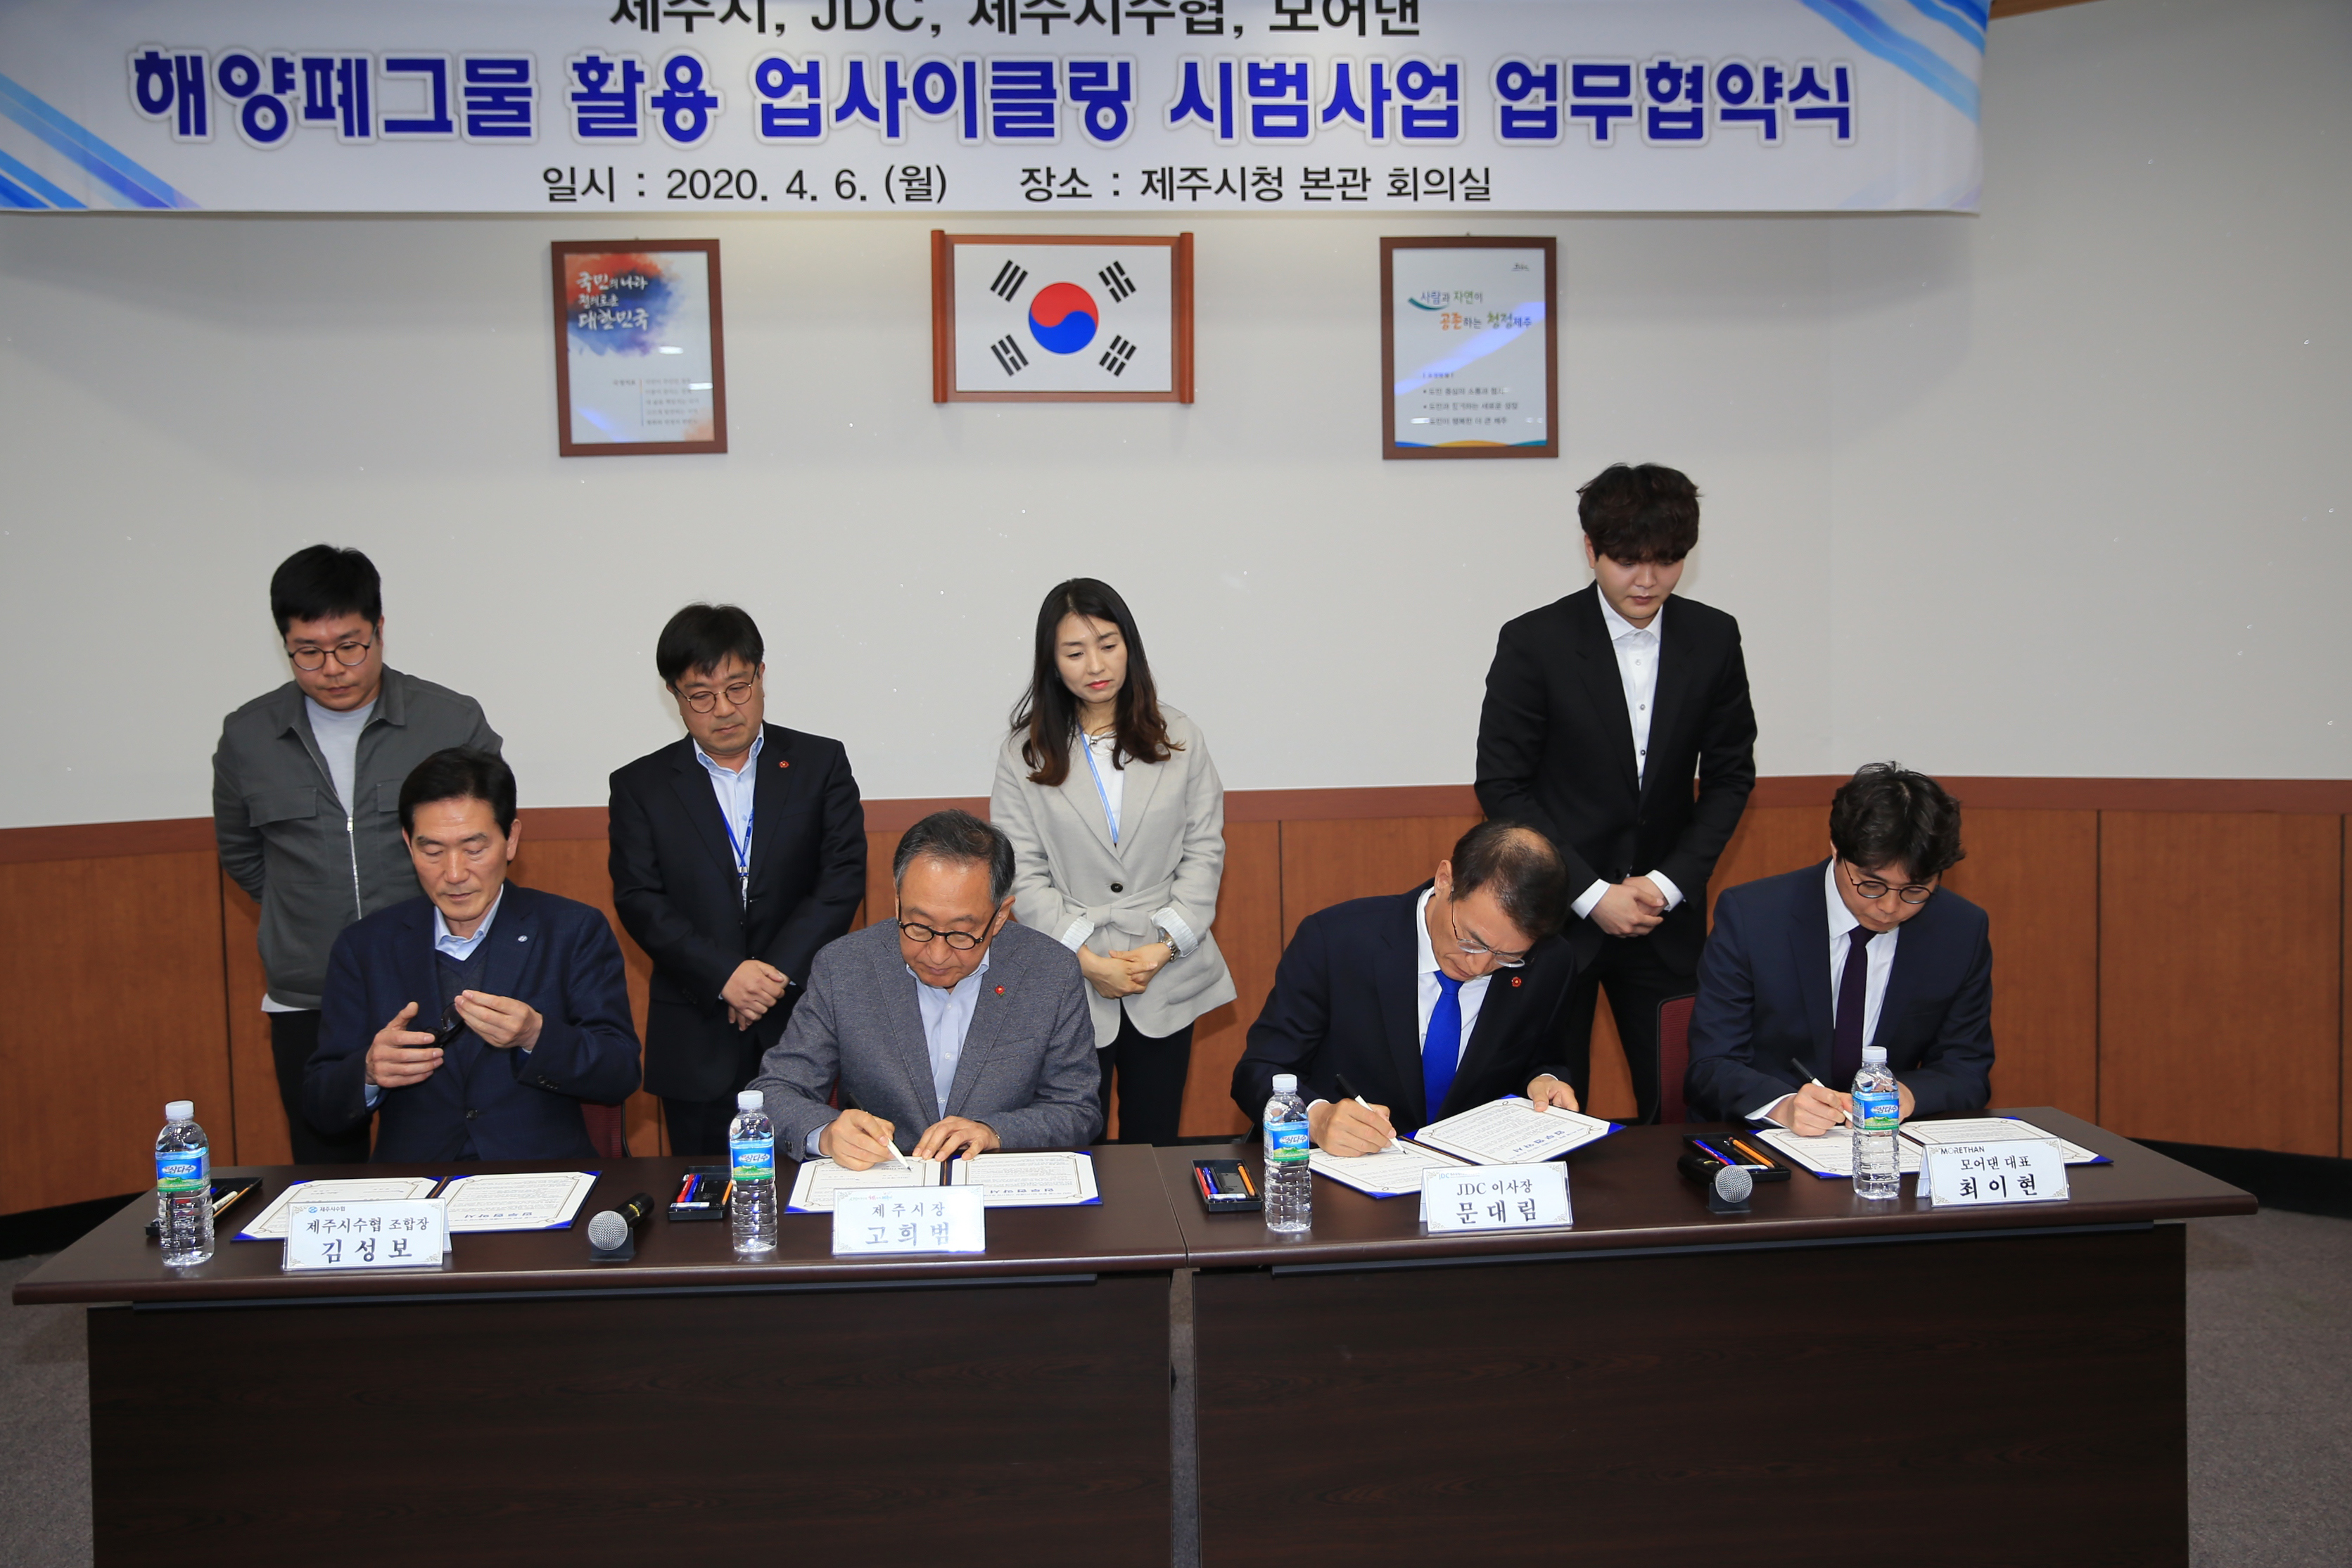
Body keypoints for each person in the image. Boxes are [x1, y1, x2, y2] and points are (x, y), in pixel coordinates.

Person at [1475, 463, 1757, 1124]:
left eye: (1667, 560)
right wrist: (1590, 892)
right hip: (1553, 916)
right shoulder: (1535, 640)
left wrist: (1667, 883)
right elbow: (1502, 783)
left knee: (1686, 1106)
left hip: (1665, 919)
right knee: (1549, 1109)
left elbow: (1730, 775)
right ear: (1590, 549)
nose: (1647, 580)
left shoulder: (1713, 636)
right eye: (1628, 561)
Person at [212, 545, 502, 1164]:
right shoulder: (248, 735)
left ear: (379, 629)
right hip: (308, 991)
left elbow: (487, 840)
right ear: (284, 643)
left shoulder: (449, 720)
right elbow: (242, 853)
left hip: (439, 981)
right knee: (324, 1169)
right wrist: (301, 911)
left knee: (448, 1154)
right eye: (308, 652)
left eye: (350, 646)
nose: (332, 668)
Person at [608, 604, 867, 1156]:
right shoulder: (640, 786)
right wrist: (724, 974)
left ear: (761, 675)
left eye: (737, 687)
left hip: (800, 1022)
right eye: (701, 695)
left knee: (811, 1178)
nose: (724, 709)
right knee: (704, 1189)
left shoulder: (819, 763)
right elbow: (639, 899)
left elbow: (841, 877)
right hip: (696, 1029)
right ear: (674, 695)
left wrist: (771, 975)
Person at [305, 749, 642, 1163]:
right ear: (408, 844)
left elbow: (620, 1073)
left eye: (474, 849)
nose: (454, 874)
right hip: (415, 1182)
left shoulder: (572, 930)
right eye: (433, 852)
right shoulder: (366, 946)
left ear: (511, 839)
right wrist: (369, 1071)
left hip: (540, 1177)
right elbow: (320, 1106)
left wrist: (536, 1036)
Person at [991, 579, 1236, 1145]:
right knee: (1075, 1140)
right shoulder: (1023, 753)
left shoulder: (1179, 736)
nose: (1095, 665)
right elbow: (1021, 869)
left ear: (1130, 646)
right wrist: (1086, 960)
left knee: (1155, 1141)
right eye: (1075, 652)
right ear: (1052, 662)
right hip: (1068, 978)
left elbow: (1204, 849)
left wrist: (1164, 945)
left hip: (1163, 970)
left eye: (1107, 644)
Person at [749, 810, 1101, 1168]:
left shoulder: (1050, 972)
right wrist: (825, 1133)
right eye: (919, 927)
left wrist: (995, 1133)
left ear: (999, 917)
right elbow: (774, 1092)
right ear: (898, 902)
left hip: (998, 1183)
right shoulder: (844, 967)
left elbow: (1077, 1109)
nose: (936, 954)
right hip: (883, 1180)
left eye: (961, 934)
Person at [1230, 821, 1583, 1154]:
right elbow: (1259, 1071)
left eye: (1507, 956)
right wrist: (1317, 1118)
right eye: (1471, 940)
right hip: (1347, 1172)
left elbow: (1545, 1060)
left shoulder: (1550, 962)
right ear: (1445, 881)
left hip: (1471, 1178)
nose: (1478, 966)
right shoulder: (1336, 940)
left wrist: (1545, 1081)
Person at [1684, 764, 1992, 1130]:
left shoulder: (1960, 929)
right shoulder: (1753, 917)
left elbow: (1966, 1069)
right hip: (1764, 1138)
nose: (1889, 907)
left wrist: (1907, 1095)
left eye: (1915, 890)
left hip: (1886, 1140)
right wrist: (1782, 1107)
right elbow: (1712, 1064)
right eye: (1871, 885)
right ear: (1836, 848)